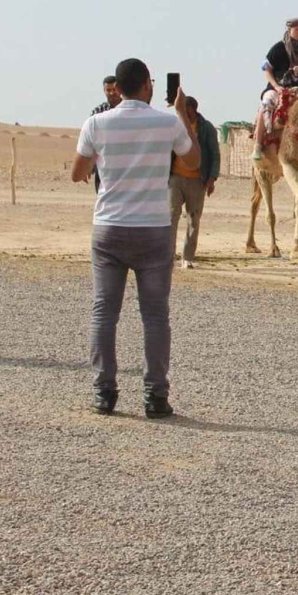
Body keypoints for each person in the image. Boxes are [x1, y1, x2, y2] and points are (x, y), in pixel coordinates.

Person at [72, 58, 199, 418]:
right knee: (155, 316)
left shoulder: (96, 123)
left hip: (109, 227)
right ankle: (156, 396)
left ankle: (104, 393)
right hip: (154, 229)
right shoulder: (167, 122)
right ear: (147, 86)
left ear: (118, 87)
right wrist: (182, 115)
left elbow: (78, 172)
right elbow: (193, 161)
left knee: (104, 312)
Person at [169, 96, 220, 270]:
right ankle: (168, 256)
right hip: (175, 178)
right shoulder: (175, 127)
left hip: (197, 179)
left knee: (193, 219)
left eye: (186, 110)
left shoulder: (206, 128)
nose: (184, 113)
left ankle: (187, 257)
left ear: (193, 109)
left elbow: (215, 154)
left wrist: (212, 178)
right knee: (171, 216)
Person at [252, 18, 298, 161]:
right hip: (278, 84)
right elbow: (266, 69)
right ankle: (258, 145)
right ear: (289, 30)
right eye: (296, 29)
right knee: (266, 103)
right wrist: (276, 86)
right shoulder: (278, 48)